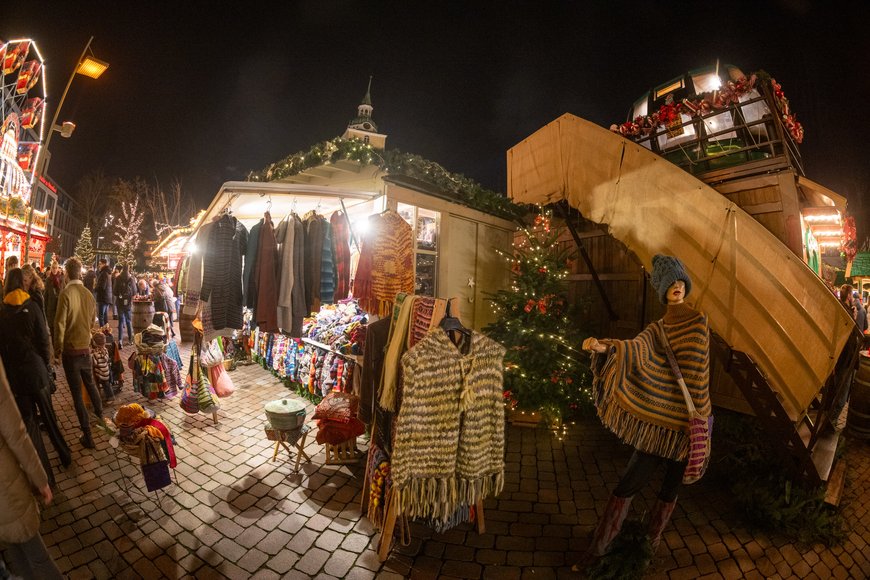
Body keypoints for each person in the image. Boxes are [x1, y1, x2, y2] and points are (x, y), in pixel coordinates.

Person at [574, 254, 711, 570]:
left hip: (688, 426)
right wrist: (604, 347)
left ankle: (649, 546)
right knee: (628, 483)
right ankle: (599, 549)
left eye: (680, 281)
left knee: (669, 491)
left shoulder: (698, 323)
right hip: (659, 424)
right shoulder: (656, 329)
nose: (677, 286)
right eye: (670, 283)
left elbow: (699, 375)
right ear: (662, 290)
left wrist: (700, 417)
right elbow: (635, 349)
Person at [0, 269, 71, 486]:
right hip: (37, 372)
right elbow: (43, 339)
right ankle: (64, 454)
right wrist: (47, 366)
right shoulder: (32, 306)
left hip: (17, 379)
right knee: (49, 418)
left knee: (31, 427)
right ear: (22, 284)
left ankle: (46, 477)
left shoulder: (2, 312)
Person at [0, 358, 63, 580]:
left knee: (14, 550)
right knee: (35, 553)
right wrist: (40, 478)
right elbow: (15, 433)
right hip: (5, 484)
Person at [54, 257, 103, 449]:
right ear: (79, 272)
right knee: (90, 384)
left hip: (71, 351)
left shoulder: (66, 293)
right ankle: (100, 418)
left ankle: (87, 434)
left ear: (67, 273)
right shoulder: (88, 294)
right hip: (85, 349)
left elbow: (59, 324)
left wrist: (57, 349)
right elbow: (92, 321)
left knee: (76, 394)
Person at [113, 263, 136, 346]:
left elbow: (114, 292)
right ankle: (130, 339)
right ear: (128, 269)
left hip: (120, 302)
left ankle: (120, 340)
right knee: (128, 321)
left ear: (122, 269)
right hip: (128, 303)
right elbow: (134, 291)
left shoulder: (118, 278)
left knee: (120, 321)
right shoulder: (131, 278)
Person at [44, 260, 65, 334]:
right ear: (51, 268)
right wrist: (45, 309)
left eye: (56, 268)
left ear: (58, 268)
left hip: (59, 306)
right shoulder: (48, 280)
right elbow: (46, 295)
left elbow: (64, 292)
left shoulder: (62, 279)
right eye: (53, 268)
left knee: (59, 329)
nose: (54, 269)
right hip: (51, 307)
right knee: (52, 329)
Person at [95, 258, 114, 327]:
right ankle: (106, 330)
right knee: (105, 316)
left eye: (100, 264)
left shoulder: (103, 273)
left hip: (102, 297)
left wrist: (95, 288)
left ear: (104, 264)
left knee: (101, 316)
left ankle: (102, 331)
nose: (99, 265)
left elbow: (102, 286)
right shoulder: (108, 273)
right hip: (107, 297)